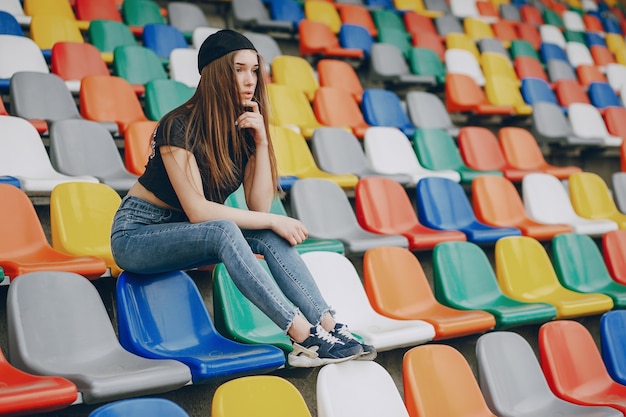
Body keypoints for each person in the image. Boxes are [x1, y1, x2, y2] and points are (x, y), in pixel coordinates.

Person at [110, 29, 375, 368]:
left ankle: (328, 325)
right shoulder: (177, 125)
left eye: (254, 69)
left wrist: (261, 142)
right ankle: (301, 336)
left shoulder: (244, 128)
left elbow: (259, 207)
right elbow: (197, 210)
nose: (249, 79)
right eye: (238, 69)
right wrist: (275, 219)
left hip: (185, 233)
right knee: (226, 229)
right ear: (216, 73)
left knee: (265, 233)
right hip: (137, 234)